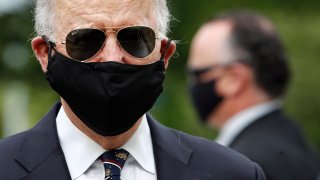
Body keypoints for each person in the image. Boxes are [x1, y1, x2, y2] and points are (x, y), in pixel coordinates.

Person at [0, 1, 267, 180]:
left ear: (164, 54)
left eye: (136, 39)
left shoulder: (233, 173)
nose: (113, 57)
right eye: (85, 40)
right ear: (45, 54)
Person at [187, 10, 320, 180]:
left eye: (197, 74)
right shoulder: (296, 141)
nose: (193, 84)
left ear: (234, 79)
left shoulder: (239, 165)